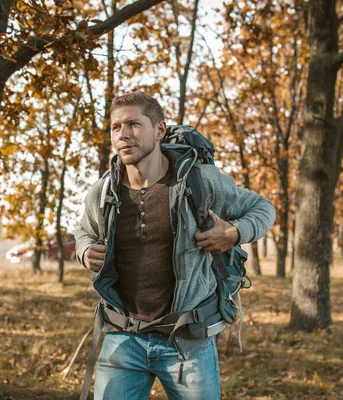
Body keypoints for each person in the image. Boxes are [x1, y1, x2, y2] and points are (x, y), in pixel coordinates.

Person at [74, 91, 275, 399]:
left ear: (159, 130)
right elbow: (83, 231)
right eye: (116, 127)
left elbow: (263, 208)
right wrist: (84, 251)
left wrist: (233, 233)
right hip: (122, 338)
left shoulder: (198, 181)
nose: (123, 134)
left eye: (134, 124)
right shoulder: (103, 192)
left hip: (186, 342)